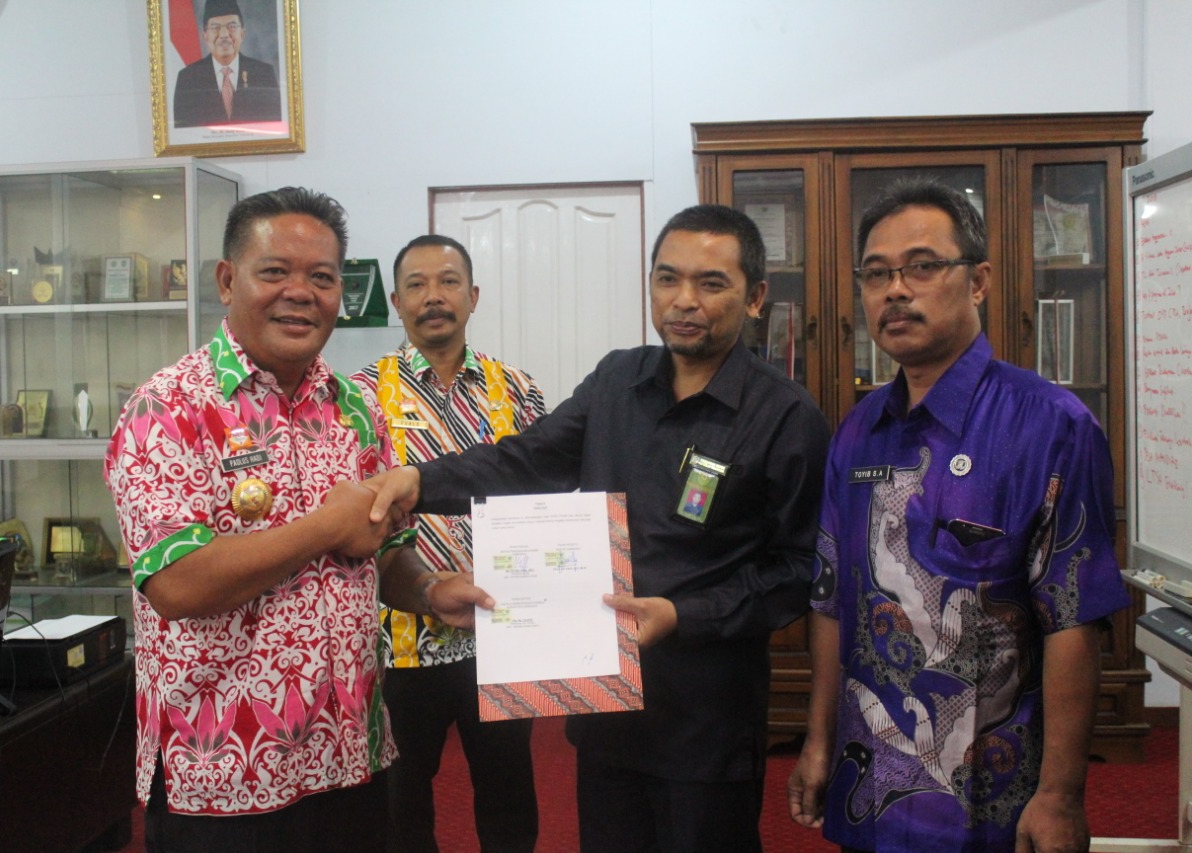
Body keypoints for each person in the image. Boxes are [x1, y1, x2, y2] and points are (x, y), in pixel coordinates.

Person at [365, 205, 830, 853]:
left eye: (711, 283)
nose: (684, 300)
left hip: (707, 721)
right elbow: (526, 460)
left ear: (754, 297)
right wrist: (420, 483)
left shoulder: (786, 415)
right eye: (667, 279)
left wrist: (682, 614)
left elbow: (796, 570)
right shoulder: (618, 380)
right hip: (604, 701)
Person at [104, 187, 492, 853]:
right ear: (228, 281)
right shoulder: (168, 409)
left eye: (322, 277)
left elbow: (386, 551)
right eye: (275, 271)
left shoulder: (355, 409)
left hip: (351, 759)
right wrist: (325, 527)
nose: (300, 293)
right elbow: (175, 584)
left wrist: (430, 590)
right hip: (224, 773)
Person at [785, 178, 1132, 853]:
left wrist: (1061, 795)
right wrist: (818, 740)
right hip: (870, 787)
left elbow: (1073, 618)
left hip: (991, 804)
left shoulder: (1051, 426)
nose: (895, 290)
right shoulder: (858, 431)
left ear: (978, 281)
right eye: (877, 273)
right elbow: (830, 600)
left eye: (921, 266)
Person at [351, 234, 544, 852]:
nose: (433, 296)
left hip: (502, 630)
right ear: (396, 302)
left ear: (473, 295)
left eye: (448, 281)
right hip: (398, 639)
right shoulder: (358, 396)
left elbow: (541, 495)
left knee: (509, 796)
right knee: (400, 801)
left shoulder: (518, 389)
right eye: (416, 285)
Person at [172, 0, 281, 128]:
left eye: (232, 26)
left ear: (242, 33)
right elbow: (184, 133)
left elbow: (274, 127)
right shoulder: (187, 79)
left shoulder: (264, 74)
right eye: (215, 28)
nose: (224, 35)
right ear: (205, 36)